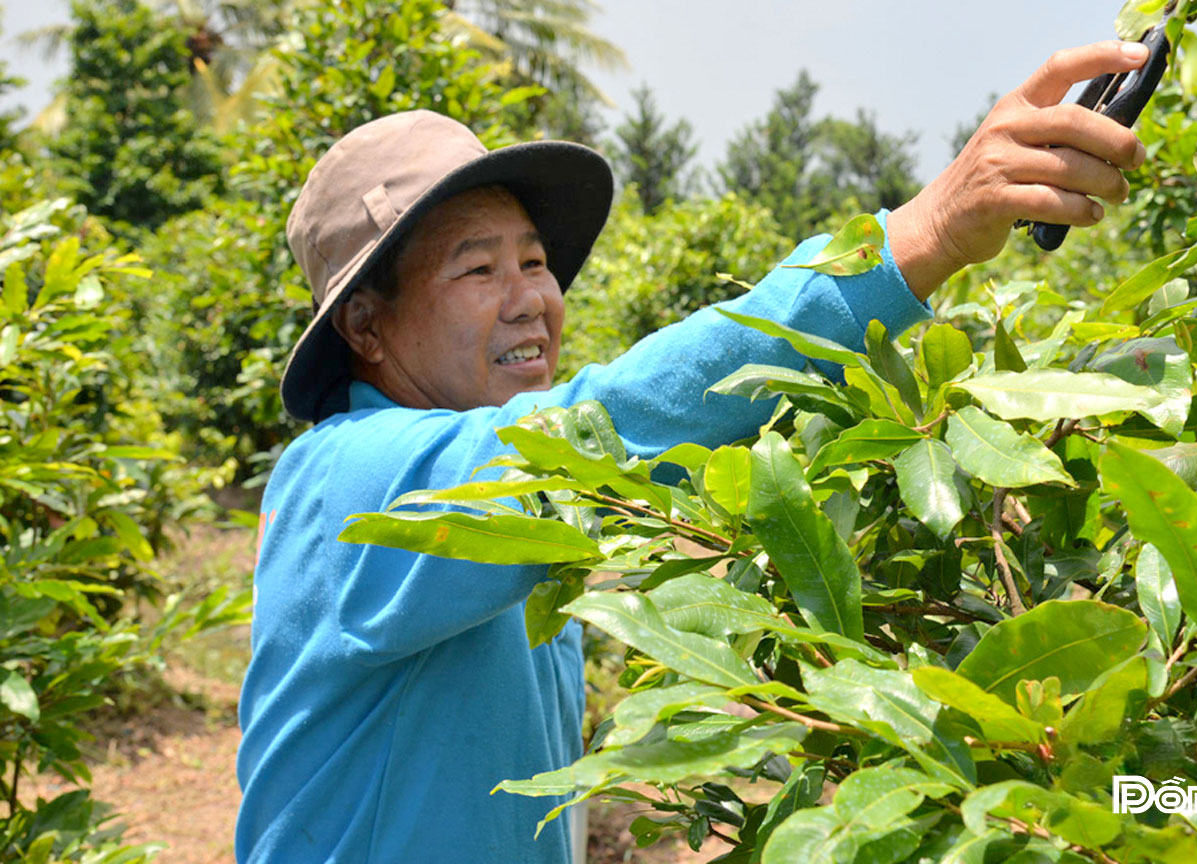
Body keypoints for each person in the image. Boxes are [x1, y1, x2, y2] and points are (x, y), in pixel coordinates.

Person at [235, 40, 1151, 864]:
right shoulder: (350, 482)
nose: (529, 301)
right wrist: (926, 235)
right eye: (477, 270)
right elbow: (606, 420)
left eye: (534, 262)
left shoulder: (512, 517)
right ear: (366, 326)